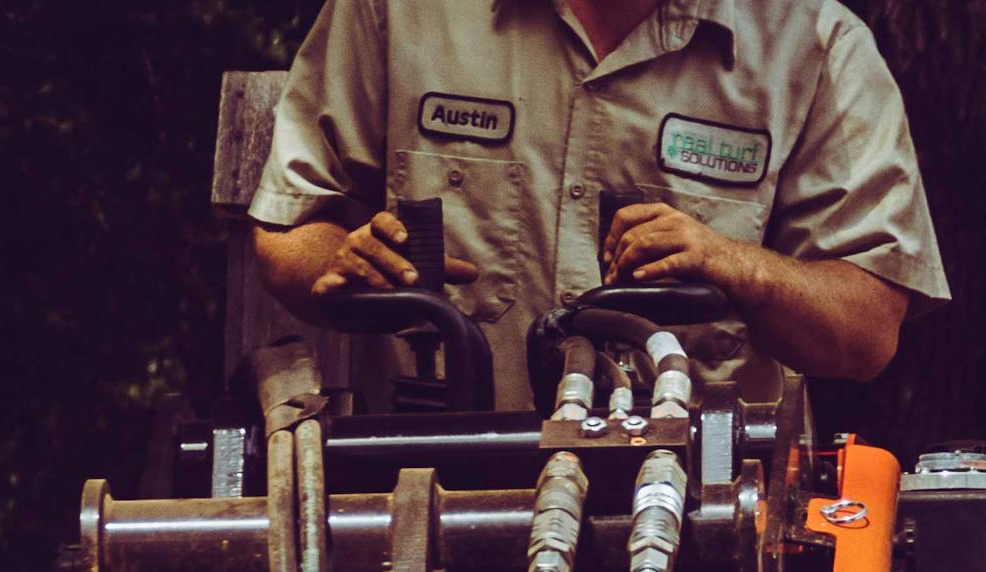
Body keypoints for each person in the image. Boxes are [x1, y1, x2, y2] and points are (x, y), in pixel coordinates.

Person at [249, 0, 947, 412]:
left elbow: (866, 332)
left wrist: (739, 269)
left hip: (694, 531)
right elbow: (289, 231)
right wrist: (336, 264)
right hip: (429, 505)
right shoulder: (399, 13)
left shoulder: (813, 43)